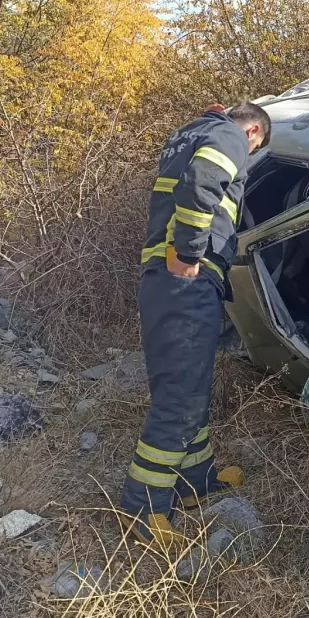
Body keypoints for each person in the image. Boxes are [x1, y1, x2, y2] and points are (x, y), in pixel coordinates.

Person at [120, 101, 271, 546]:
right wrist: (188, 254)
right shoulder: (228, 136)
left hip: (169, 283)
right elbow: (204, 182)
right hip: (184, 279)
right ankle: (142, 507)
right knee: (179, 398)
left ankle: (194, 480)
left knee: (191, 387)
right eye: (256, 147)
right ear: (255, 134)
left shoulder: (190, 133)